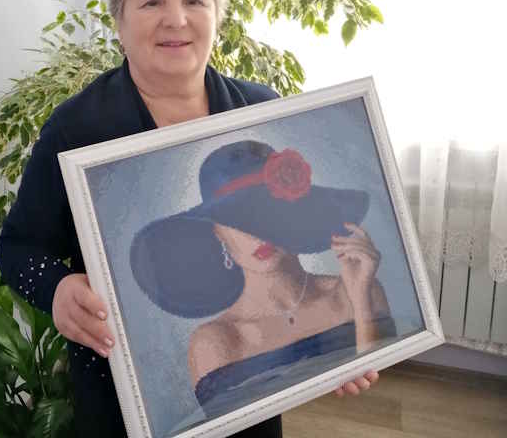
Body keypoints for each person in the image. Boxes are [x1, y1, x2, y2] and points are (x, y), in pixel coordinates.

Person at [0, 0, 379, 438]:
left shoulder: (261, 110)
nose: (175, 19)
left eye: (195, 0)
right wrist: (57, 288)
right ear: (119, 20)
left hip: (253, 406)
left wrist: (342, 350)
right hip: (120, 396)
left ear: (217, 14)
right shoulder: (75, 127)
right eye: (152, 2)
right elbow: (18, 248)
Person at [130, 140, 396, 420]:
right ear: (218, 233)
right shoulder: (216, 342)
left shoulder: (357, 292)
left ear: (293, 214)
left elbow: (381, 399)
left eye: (267, 212)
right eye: (237, 218)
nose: (256, 232)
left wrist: (361, 301)